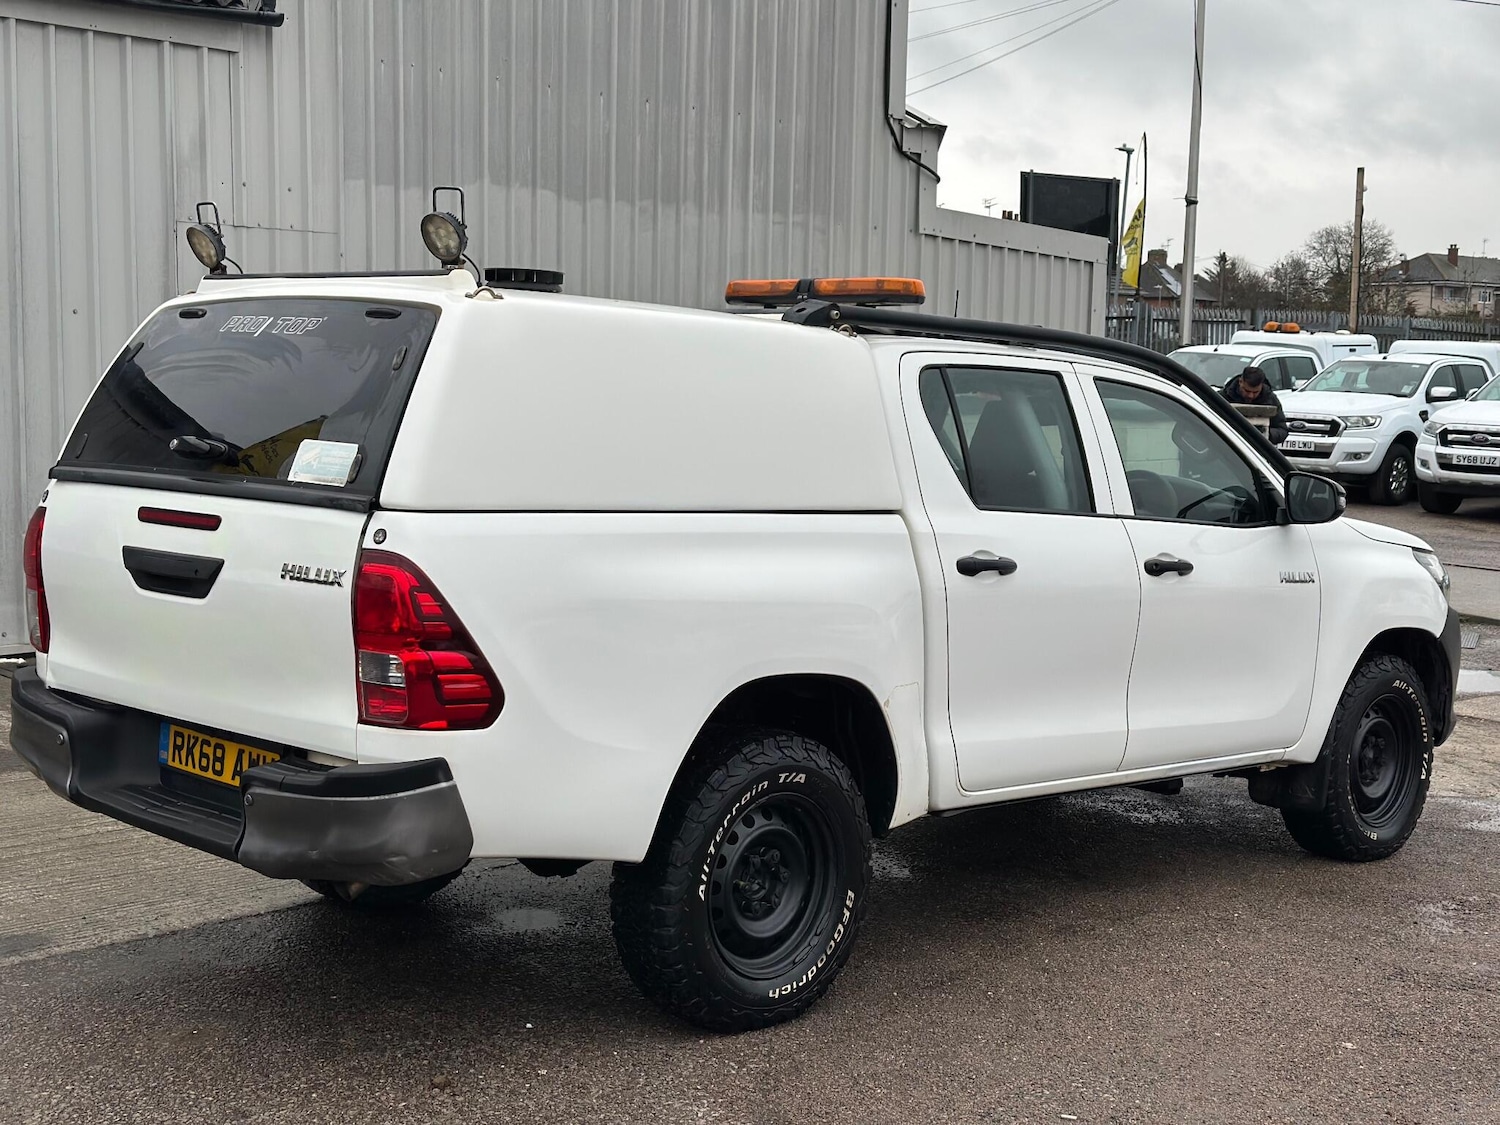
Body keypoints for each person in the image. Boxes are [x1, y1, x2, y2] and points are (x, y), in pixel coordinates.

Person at [1223, 365, 1288, 445]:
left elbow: (1282, 429)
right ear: (1240, 382)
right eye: (1247, 391)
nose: (1251, 396)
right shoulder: (1222, 397)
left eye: (1255, 392)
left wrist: (1265, 433)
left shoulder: (1270, 399)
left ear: (1262, 385)